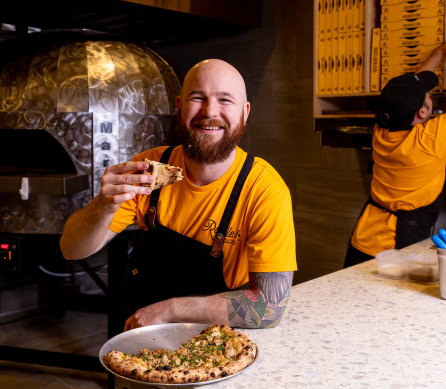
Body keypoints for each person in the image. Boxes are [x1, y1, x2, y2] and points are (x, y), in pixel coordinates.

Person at [59, 59, 297, 331]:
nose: (209, 111)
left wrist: (171, 310)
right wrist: (103, 205)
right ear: (179, 106)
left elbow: (268, 307)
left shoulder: (264, 191)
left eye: (225, 100)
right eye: (198, 97)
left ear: (245, 112)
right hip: (139, 334)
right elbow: (71, 249)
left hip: (217, 343)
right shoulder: (149, 169)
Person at [343, 31, 446, 268]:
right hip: (395, 247)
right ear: (422, 113)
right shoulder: (429, 139)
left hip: (364, 237)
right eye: (428, 95)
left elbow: (406, 93)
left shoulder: (382, 129)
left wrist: (440, 51)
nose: (430, 96)